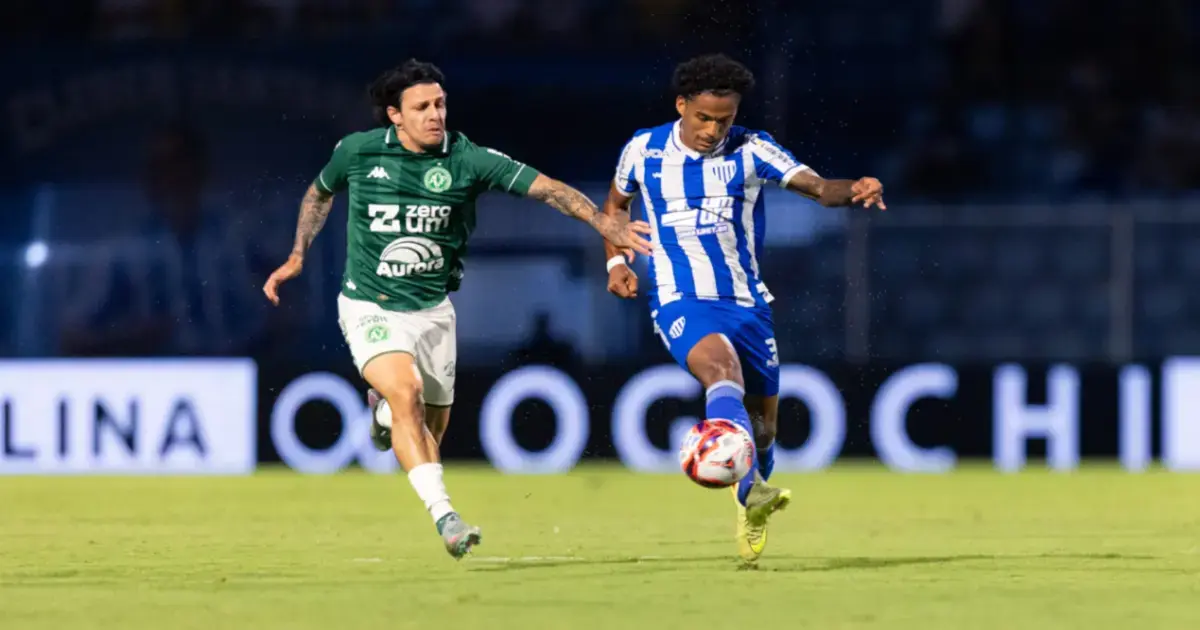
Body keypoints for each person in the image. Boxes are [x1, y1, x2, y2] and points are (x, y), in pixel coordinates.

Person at [263, 59, 652, 560]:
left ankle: (382, 416)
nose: (434, 115)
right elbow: (319, 195)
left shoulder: (469, 159)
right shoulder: (357, 152)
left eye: (440, 104)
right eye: (421, 107)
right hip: (369, 304)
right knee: (407, 392)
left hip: (434, 311)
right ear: (394, 116)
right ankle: (446, 518)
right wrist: (298, 254)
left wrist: (607, 225)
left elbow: (550, 190)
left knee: (430, 430)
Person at [601, 54, 885, 566]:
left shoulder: (753, 150)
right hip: (679, 297)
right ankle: (750, 486)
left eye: (724, 120)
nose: (713, 130)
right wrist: (616, 262)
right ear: (681, 106)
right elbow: (615, 209)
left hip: (749, 304)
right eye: (703, 118)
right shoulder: (642, 150)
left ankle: (750, 500)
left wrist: (855, 189)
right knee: (719, 369)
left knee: (764, 432)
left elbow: (819, 189)